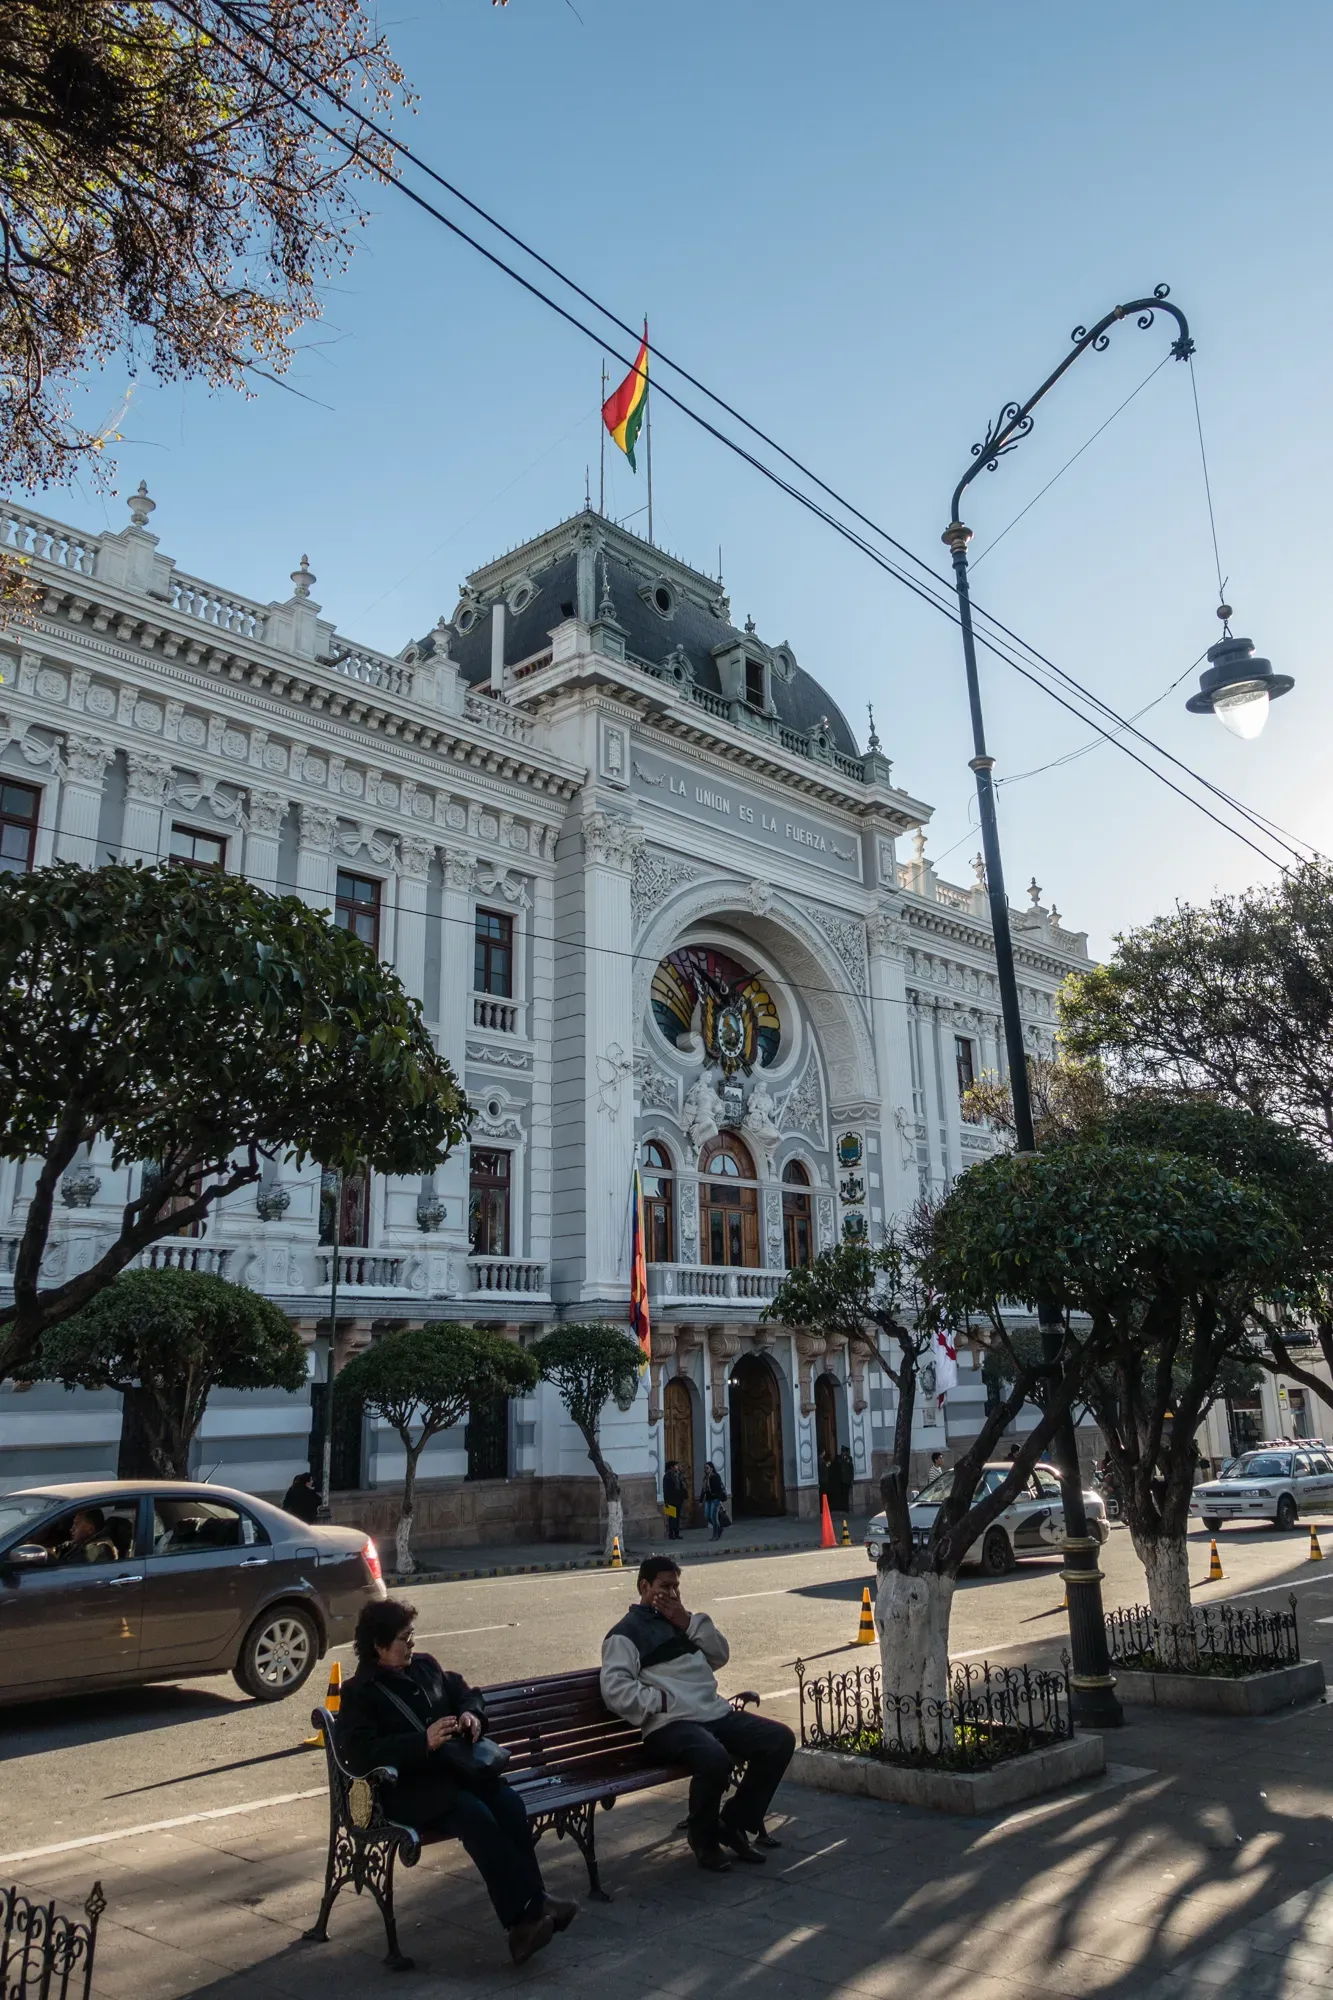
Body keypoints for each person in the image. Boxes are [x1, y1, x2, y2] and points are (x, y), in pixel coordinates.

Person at [338, 1598, 576, 1966]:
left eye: (412, 1635)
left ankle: (527, 1919)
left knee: (509, 1804)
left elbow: (467, 1693)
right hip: (406, 1792)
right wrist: (422, 1742)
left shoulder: (426, 1667)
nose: (412, 1644)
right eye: (404, 1638)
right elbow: (360, 1753)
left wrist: (470, 1715)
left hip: (456, 1775)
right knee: (475, 1814)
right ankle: (530, 1910)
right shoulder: (360, 1692)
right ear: (379, 1646)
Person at [600, 1555, 795, 1873]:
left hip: (712, 1712)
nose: (672, 1594)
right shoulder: (624, 1634)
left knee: (779, 1740)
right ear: (644, 1587)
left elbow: (719, 1654)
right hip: (669, 1724)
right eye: (664, 1587)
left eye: (676, 1586)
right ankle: (703, 1839)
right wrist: (661, 1701)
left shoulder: (682, 1621)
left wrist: (687, 1621)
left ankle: (732, 1824)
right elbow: (615, 1690)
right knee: (713, 1758)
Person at [700, 1462, 727, 1539]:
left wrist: (718, 1499)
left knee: (713, 1517)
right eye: (705, 1468)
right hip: (708, 1499)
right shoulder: (705, 1478)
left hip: (715, 1499)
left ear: (711, 1468)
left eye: (707, 1468)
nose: (705, 1469)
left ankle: (715, 1535)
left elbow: (718, 1489)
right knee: (707, 1516)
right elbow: (703, 1489)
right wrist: (701, 1501)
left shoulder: (715, 1476)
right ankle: (719, 1528)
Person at [662, 1460, 686, 1541]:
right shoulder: (667, 1476)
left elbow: (681, 1486)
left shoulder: (678, 1475)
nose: (677, 1467)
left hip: (678, 1499)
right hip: (670, 1500)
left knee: (677, 1517)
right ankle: (671, 1534)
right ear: (671, 1467)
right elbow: (665, 1490)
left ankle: (677, 1533)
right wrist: (666, 1501)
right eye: (676, 1466)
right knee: (672, 1518)